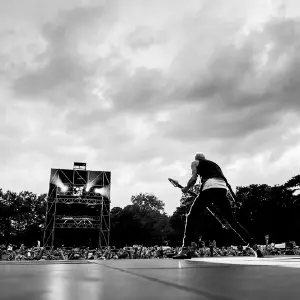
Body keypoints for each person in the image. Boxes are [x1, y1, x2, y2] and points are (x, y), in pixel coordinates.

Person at [173, 152, 263, 259]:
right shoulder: (215, 165)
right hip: (222, 188)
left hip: (209, 187)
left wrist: (186, 188)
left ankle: (185, 249)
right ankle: (254, 246)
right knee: (232, 221)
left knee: (191, 216)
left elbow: (193, 179)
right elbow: (211, 205)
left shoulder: (195, 162)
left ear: (197, 159)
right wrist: (223, 217)